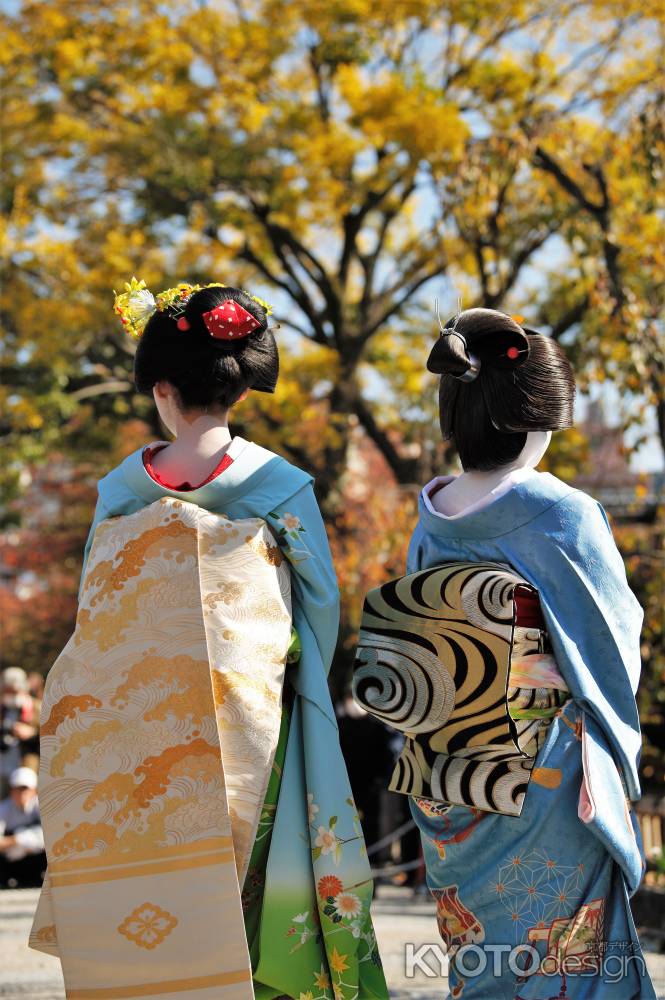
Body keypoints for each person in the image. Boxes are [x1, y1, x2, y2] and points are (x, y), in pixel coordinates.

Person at [29, 280, 388, 1000]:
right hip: (253, 722)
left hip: (138, 740)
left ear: (160, 389)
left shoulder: (120, 492)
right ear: (240, 390)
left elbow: (98, 614)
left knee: (156, 892)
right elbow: (320, 602)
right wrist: (298, 679)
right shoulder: (279, 487)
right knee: (250, 888)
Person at [394, 309, 654, 998]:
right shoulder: (560, 512)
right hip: (544, 772)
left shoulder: (433, 513)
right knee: (565, 959)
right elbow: (609, 641)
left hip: (449, 769)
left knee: (481, 958)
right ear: (540, 420)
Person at [0, 766, 46, 889]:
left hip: (37, 860)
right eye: (17, 789)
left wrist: (17, 840)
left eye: (25, 789)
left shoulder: (43, 806)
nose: (21, 793)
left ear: (34, 790)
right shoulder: (3, 809)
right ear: (11, 791)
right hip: (12, 861)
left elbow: (53, 836)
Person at [0, 667, 38, 798]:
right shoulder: (2, 707)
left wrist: (33, 734)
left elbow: (53, 739)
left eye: (14, 691)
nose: (11, 695)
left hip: (25, 772)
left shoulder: (38, 708)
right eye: (7, 692)